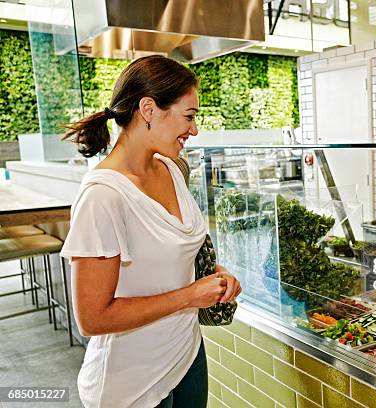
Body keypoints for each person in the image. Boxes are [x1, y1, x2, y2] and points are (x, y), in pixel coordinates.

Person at [60, 55, 241, 408]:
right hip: (131, 382)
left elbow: (173, 255)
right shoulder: (103, 196)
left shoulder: (172, 169)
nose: (194, 129)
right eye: (189, 116)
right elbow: (93, 318)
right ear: (148, 109)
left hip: (187, 355)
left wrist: (216, 277)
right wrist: (190, 296)